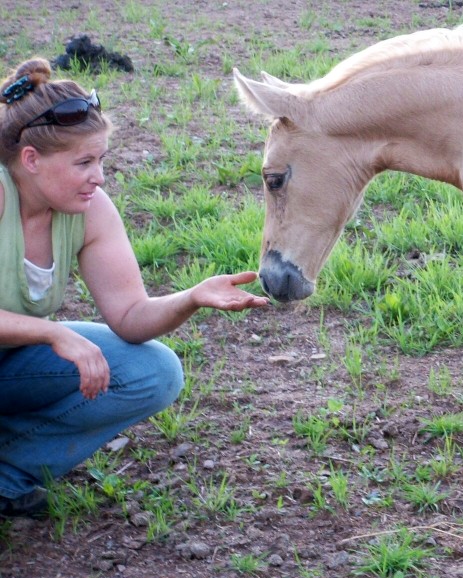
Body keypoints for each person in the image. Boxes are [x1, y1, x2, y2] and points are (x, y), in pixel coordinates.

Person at [0, 59, 269, 518]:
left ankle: (8, 473)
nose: (99, 177)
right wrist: (54, 333)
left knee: (153, 372)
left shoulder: (89, 208)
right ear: (31, 160)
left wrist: (191, 297)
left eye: (100, 160)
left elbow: (128, 317)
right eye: (84, 162)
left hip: (11, 363)